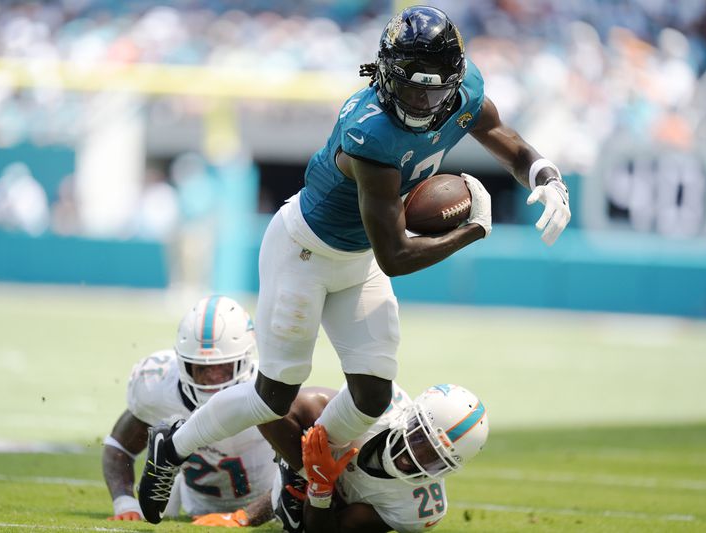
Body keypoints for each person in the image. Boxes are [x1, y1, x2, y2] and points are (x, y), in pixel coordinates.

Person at [137, 6, 569, 523]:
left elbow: (509, 143)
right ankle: (174, 445)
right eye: (410, 88)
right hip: (305, 251)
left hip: (357, 258)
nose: (422, 102)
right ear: (385, 75)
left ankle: (309, 470)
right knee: (275, 394)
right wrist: (471, 230)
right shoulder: (370, 131)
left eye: (433, 92)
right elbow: (395, 256)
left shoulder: (466, 91)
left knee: (372, 396)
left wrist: (545, 176)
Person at [103, 296, 276, 527]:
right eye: (202, 367)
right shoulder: (158, 387)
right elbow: (119, 446)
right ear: (182, 363)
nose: (212, 377)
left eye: (223, 367)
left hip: (267, 506)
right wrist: (125, 503)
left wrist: (245, 516)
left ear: (244, 362)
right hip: (191, 504)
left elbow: (296, 473)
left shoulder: (267, 394)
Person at [259, 382, 488, 532]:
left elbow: (335, 529)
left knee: (300, 528)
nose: (416, 458)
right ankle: (297, 475)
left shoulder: (418, 507)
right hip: (326, 454)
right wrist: (309, 468)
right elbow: (274, 410)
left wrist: (321, 487)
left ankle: (302, 485)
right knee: (278, 405)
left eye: (436, 458)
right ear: (408, 419)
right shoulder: (382, 407)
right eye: (420, 438)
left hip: (335, 502)